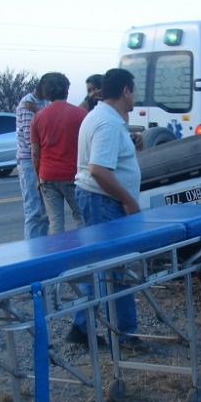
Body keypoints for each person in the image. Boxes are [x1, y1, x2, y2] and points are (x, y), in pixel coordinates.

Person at [66, 68, 141, 347]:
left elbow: (107, 161)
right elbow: (98, 170)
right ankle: (100, 330)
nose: (135, 98)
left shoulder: (103, 117)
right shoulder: (107, 123)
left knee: (110, 266)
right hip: (102, 201)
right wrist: (128, 199)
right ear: (125, 91)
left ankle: (118, 331)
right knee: (108, 267)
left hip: (99, 199)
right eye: (133, 91)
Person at [30, 73, 86, 234]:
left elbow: (35, 152)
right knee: (81, 217)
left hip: (48, 175)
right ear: (67, 91)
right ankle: (86, 254)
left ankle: (57, 254)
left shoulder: (38, 118)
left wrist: (38, 177)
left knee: (55, 222)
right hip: (74, 175)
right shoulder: (80, 114)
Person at [15, 75, 51, 239]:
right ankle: (33, 251)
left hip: (41, 159)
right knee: (35, 211)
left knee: (44, 212)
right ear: (42, 87)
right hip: (30, 161)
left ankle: (43, 249)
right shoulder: (27, 104)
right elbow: (31, 140)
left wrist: (39, 110)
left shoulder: (42, 104)